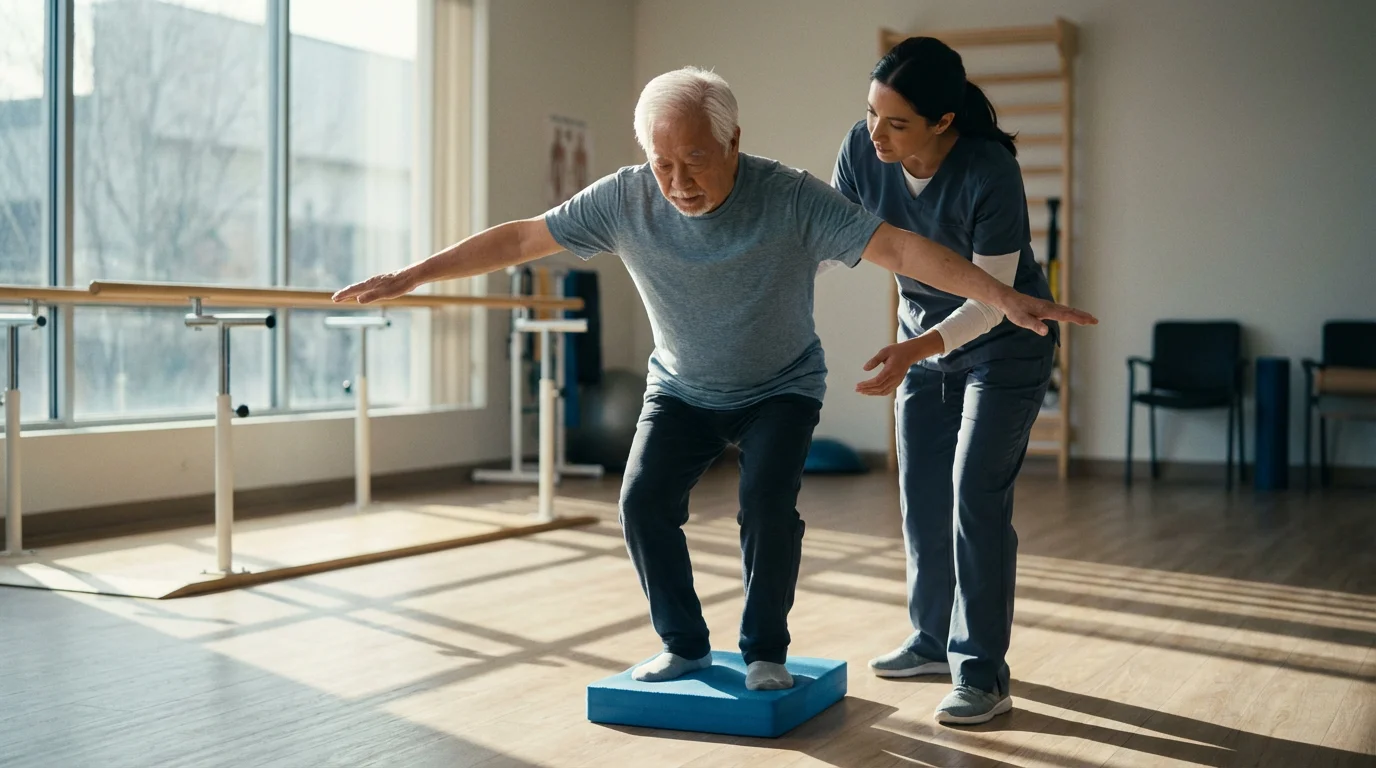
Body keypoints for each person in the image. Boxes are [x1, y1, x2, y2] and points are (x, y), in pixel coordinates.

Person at [334, 66, 1096, 693]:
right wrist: (411, 273)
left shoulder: (791, 196)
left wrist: (1002, 295)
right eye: (663, 163)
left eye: (695, 159)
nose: (678, 181)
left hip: (781, 386)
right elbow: (524, 236)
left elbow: (900, 250)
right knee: (640, 503)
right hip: (682, 388)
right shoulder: (627, 196)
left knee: (766, 503)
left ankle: (765, 651)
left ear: (735, 141)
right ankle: (686, 646)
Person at [832, 37, 1065, 725]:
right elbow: (830, 240)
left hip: (1003, 346)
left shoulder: (988, 169)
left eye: (895, 122)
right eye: (871, 113)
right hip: (922, 348)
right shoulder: (860, 149)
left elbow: (992, 299)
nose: (875, 133)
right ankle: (932, 639)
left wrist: (918, 348)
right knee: (922, 498)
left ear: (942, 122)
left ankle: (982, 673)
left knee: (974, 496)